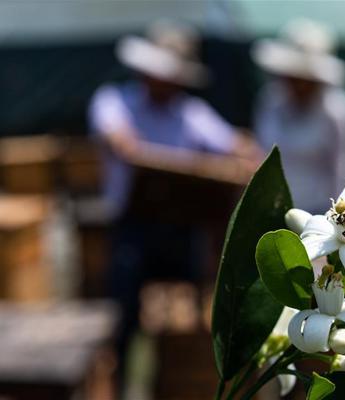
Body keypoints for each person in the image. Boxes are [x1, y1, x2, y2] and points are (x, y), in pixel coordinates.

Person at [88, 20, 260, 392]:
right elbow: (123, 146)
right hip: (131, 229)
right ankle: (119, 387)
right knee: (124, 318)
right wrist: (191, 166)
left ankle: (181, 385)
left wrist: (249, 160)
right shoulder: (114, 101)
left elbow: (237, 146)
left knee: (193, 319)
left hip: (182, 232)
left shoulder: (191, 112)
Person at [252, 19, 345, 213]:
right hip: (271, 207)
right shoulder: (270, 100)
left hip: (318, 211)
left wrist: (339, 217)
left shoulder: (338, 110)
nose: (295, 83)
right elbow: (260, 152)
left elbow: (343, 168)